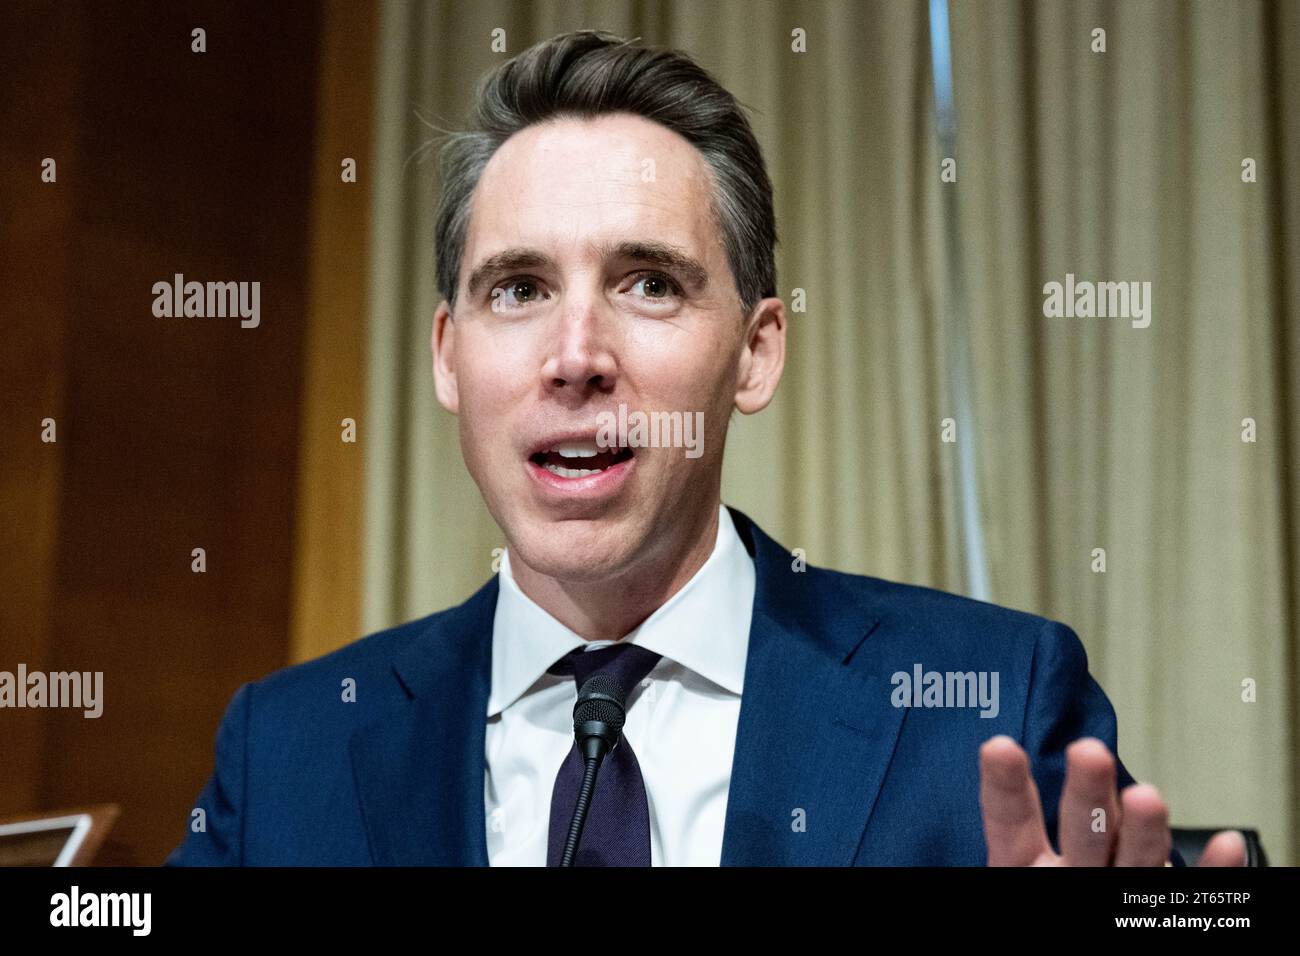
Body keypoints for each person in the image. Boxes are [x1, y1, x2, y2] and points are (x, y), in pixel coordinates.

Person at [167, 29, 1245, 867]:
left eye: (648, 284)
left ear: (755, 352)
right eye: (519, 289)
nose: (575, 354)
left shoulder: (991, 697)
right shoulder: (288, 748)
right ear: (449, 357)